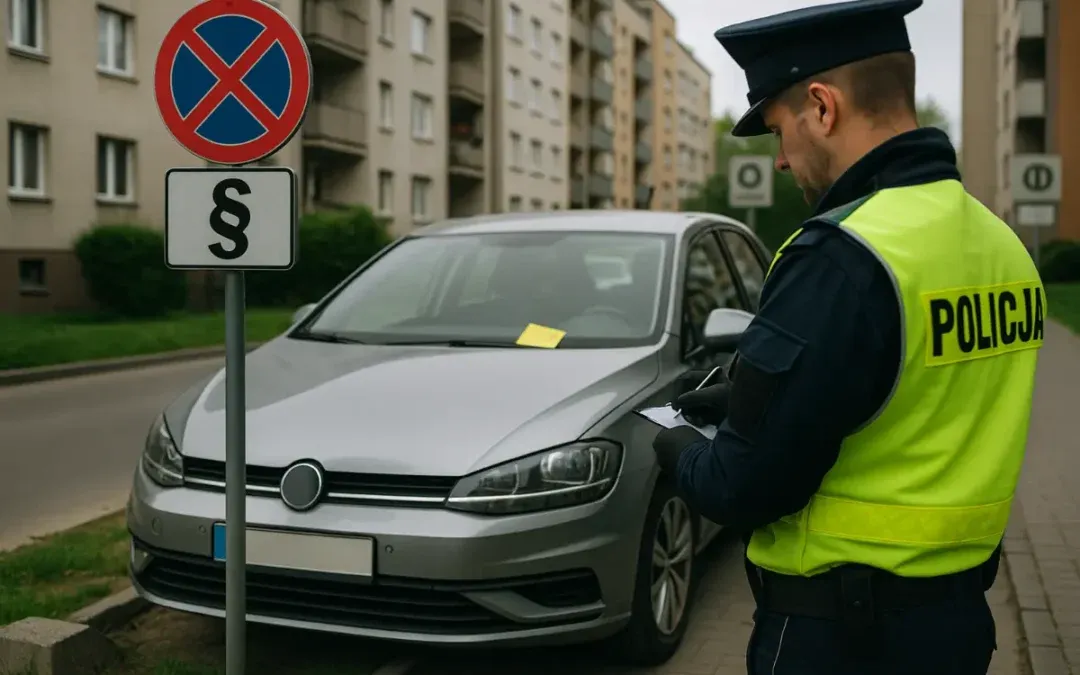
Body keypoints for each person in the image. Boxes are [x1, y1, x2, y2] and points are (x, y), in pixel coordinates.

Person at [651, 1, 1046, 673]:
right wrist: (750, 403)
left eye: (778, 132)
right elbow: (910, 398)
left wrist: (681, 447)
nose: (780, 160)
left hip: (839, 637)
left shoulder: (839, 256)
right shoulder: (1002, 245)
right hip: (956, 627)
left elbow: (746, 486)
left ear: (822, 106)